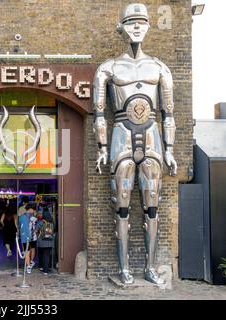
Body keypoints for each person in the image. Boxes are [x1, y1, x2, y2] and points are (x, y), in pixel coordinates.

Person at [93, 3, 177, 285]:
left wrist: (169, 149)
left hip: (152, 132)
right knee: (122, 204)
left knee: (153, 204)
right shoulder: (108, 68)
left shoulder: (160, 68)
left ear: (149, 26)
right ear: (122, 27)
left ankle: (150, 268)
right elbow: (99, 112)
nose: (137, 27)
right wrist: (103, 148)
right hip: (121, 134)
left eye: (142, 21)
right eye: (131, 22)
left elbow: (169, 113)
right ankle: (124, 268)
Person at [18, 204, 37, 273]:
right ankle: (30, 263)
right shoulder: (34, 217)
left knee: (27, 251)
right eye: (33, 209)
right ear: (31, 209)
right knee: (32, 249)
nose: (34, 211)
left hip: (25, 237)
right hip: (33, 236)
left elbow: (20, 226)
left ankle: (28, 266)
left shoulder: (22, 217)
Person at [36, 208, 54, 275]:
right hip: (49, 241)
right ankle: (46, 269)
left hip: (41, 241)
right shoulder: (52, 223)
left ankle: (42, 267)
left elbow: (36, 231)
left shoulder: (40, 222)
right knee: (47, 255)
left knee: (41, 254)